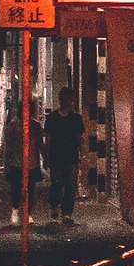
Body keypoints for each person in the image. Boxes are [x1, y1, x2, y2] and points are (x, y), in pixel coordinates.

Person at [44, 87, 85, 225]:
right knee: (57, 182)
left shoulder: (76, 118)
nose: (67, 101)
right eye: (65, 98)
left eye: (69, 99)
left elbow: (80, 138)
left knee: (71, 185)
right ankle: (54, 205)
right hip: (56, 155)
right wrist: (47, 156)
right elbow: (48, 139)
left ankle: (67, 213)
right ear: (60, 99)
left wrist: (82, 155)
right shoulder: (52, 118)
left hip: (71, 156)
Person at [2, 99, 44, 215]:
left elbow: (40, 144)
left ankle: (24, 212)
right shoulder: (16, 125)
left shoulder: (32, 126)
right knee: (19, 189)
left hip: (24, 162)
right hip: (22, 162)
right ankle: (18, 210)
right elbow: (9, 146)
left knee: (26, 189)